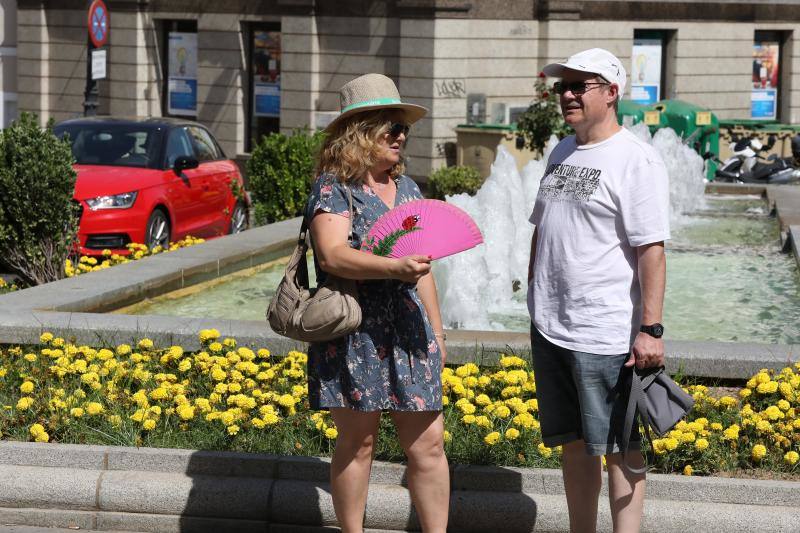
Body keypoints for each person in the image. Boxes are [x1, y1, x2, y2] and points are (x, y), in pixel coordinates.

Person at [527, 49, 670, 532]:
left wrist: (650, 329)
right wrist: (533, 295)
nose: (566, 94)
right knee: (574, 444)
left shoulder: (636, 159)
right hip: (551, 326)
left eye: (579, 85)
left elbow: (651, 249)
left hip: (605, 330)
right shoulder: (562, 151)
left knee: (621, 446)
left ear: (611, 93)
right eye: (562, 86)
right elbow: (543, 228)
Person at [304, 73, 449, 533]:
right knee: (358, 442)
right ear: (362, 131)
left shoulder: (407, 190)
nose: (401, 136)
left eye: (403, 129)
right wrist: (394, 268)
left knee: (428, 446)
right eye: (392, 127)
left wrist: (438, 333)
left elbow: (421, 269)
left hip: (409, 330)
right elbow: (332, 254)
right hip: (355, 329)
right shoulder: (335, 187)